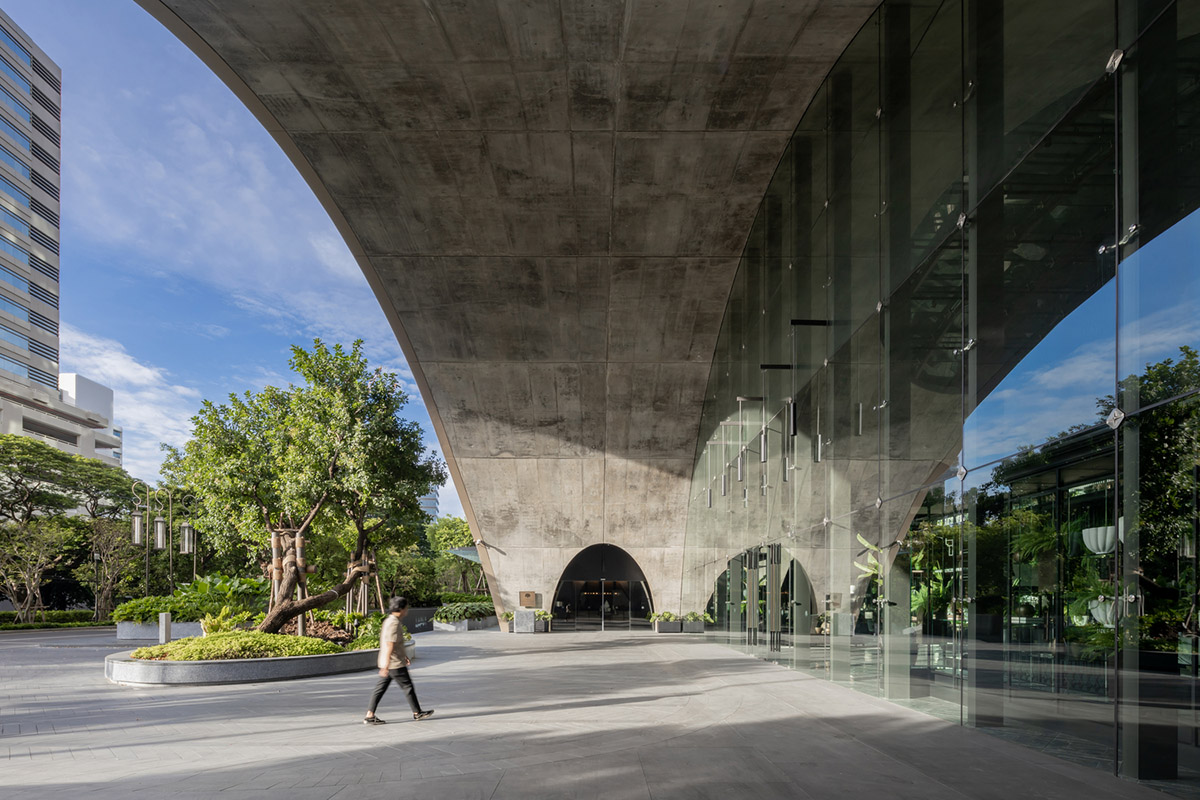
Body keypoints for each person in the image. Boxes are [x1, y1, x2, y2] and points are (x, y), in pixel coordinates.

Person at [363, 596, 433, 724]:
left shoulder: (390, 620)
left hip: (390, 661)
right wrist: (386, 665)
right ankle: (417, 712)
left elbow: (395, 644)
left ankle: (370, 714)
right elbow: (390, 644)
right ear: (401, 609)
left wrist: (403, 656)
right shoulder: (393, 623)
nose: (407, 610)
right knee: (407, 686)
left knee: (381, 688)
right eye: (406, 608)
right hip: (393, 663)